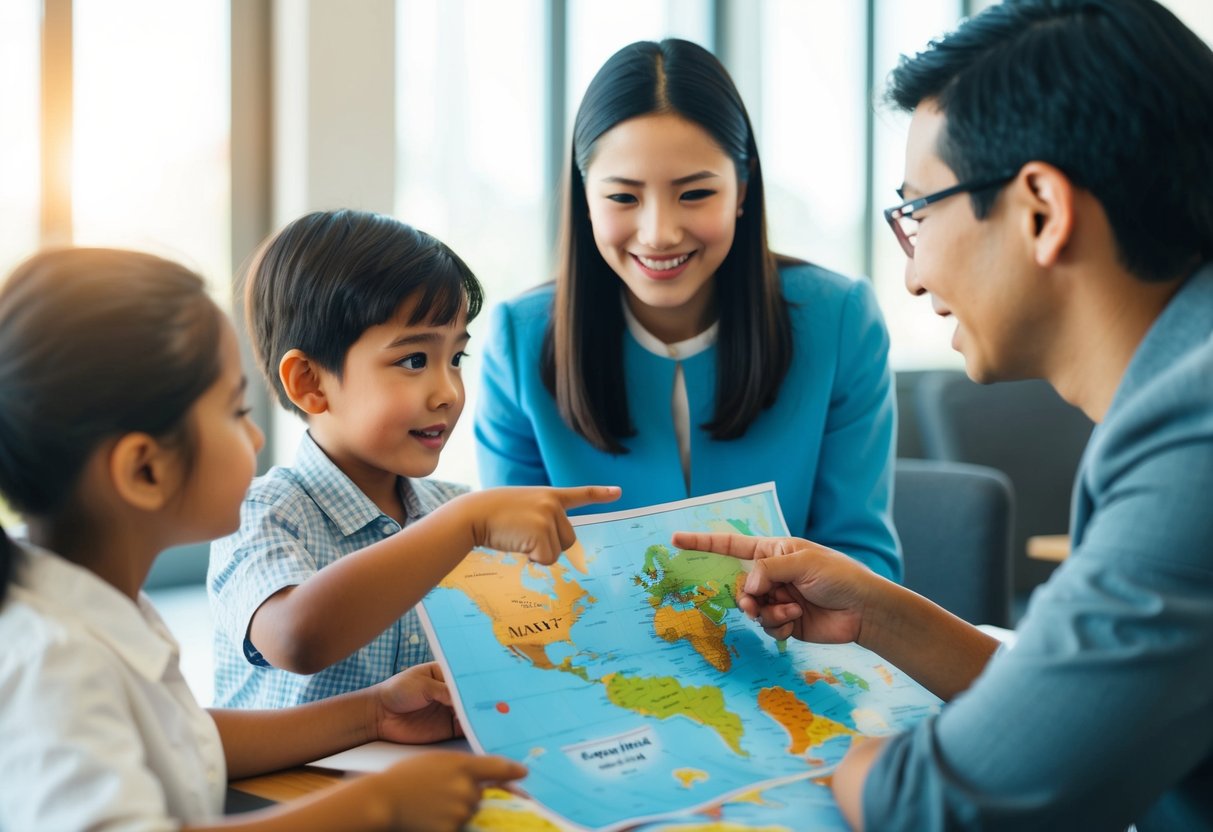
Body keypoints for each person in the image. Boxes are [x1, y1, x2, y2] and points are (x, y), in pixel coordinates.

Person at [675, 0, 1213, 828]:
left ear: (1041, 208)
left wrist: (820, 755)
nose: (913, 269)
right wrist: (877, 615)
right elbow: (1072, 722)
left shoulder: (1192, 437)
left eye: (917, 209)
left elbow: (938, 806)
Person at [0, 248, 530, 831]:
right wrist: (381, 806)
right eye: (235, 410)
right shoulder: (54, 657)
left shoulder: (100, 611)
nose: (255, 438)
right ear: (144, 469)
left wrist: (376, 712)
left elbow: (190, 740)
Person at [474, 38, 901, 580]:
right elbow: (517, 575)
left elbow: (864, 561)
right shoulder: (520, 339)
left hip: (796, 651)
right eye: (623, 198)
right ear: (585, 197)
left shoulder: (841, 320)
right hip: (601, 662)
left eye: (695, 194)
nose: (659, 234)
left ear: (742, 187)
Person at [209, 210, 619, 708]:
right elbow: (296, 639)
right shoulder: (261, 511)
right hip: (298, 788)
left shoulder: (456, 509)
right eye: (413, 361)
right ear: (310, 383)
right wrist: (464, 524)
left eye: (455, 359)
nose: (448, 392)